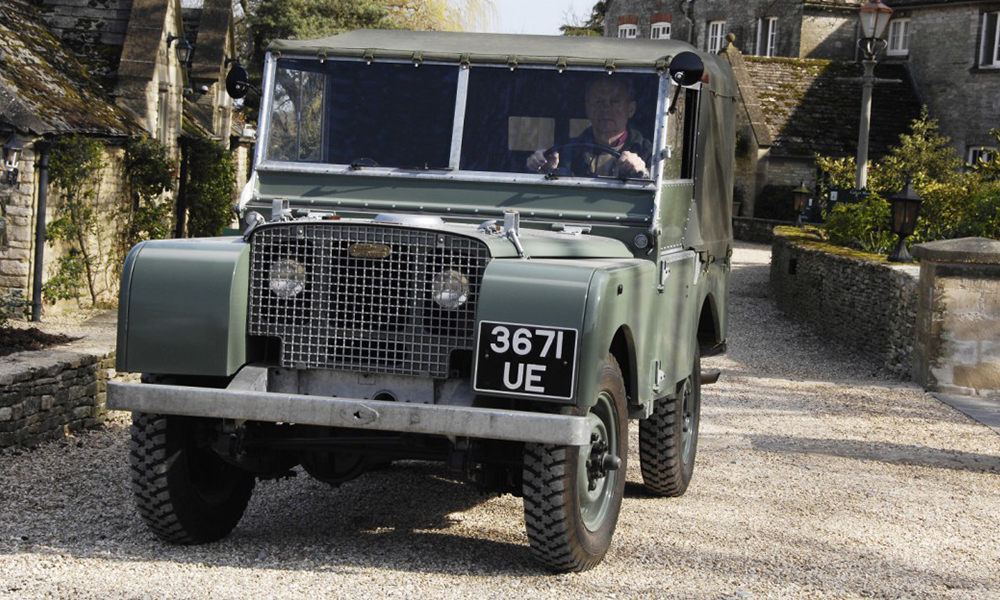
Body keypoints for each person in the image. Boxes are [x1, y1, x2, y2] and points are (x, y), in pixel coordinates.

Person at [526, 77, 652, 179]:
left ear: (630, 109)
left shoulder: (648, 151)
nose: (605, 109)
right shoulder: (567, 151)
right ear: (587, 108)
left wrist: (643, 173)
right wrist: (544, 171)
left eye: (614, 102)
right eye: (598, 101)